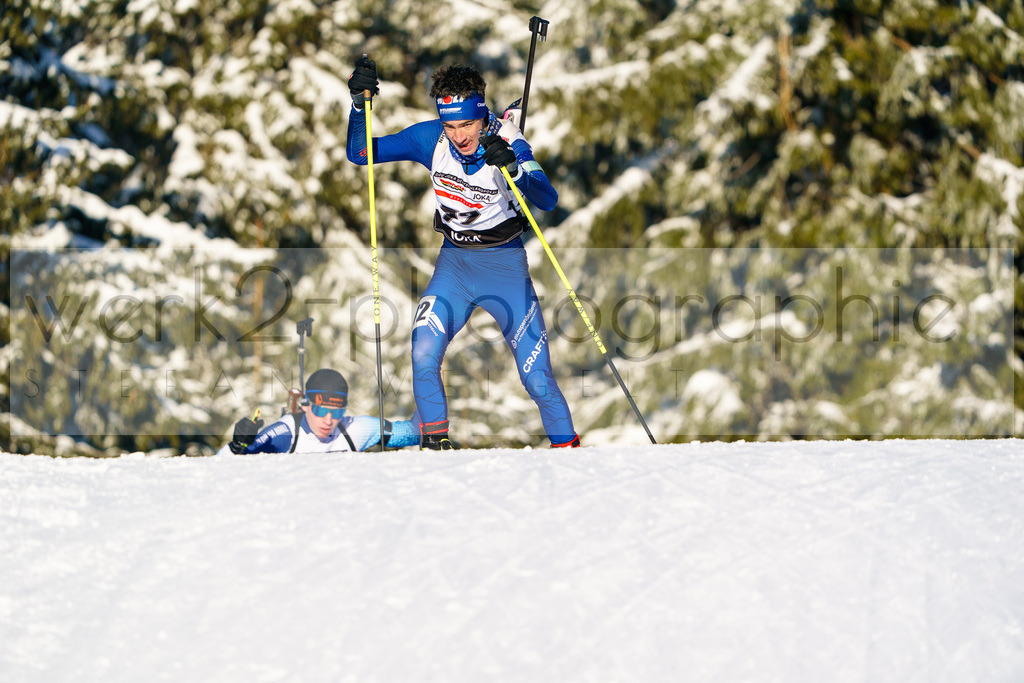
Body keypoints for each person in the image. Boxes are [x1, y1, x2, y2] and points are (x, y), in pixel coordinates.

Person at [346, 57, 581, 450]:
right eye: (450, 126)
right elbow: (361, 154)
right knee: (422, 351)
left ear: (482, 114)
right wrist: (358, 106)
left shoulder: (507, 138)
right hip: (453, 266)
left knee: (537, 378)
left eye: (466, 125)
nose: (458, 136)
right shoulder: (431, 138)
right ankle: (435, 448)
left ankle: (569, 453)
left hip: (504, 267)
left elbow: (548, 198)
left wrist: (517, 169)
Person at [216, 368, 419, 455]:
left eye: (337, 412)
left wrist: (433, 405)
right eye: (321, 411)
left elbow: (411, 432)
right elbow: (226, 464)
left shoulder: (354, 428)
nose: (329, 420)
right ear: (305, 405)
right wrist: (237, 446)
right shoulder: (287, 432)